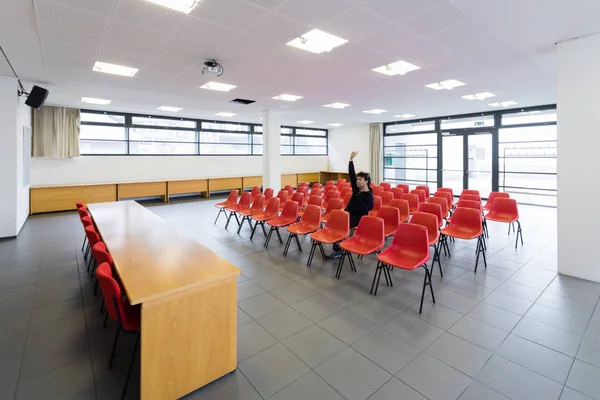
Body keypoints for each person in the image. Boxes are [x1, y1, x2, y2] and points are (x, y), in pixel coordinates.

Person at [328, 151, 374, 258]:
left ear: (366, 181)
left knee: (341, 223)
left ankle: (339, 248)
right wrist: (351, 160)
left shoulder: (369, 196)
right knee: (335, 220)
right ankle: (338, 246)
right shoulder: (356, 189)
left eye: (360, 179)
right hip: (348, 214)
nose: (357, 181)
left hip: (358, 218)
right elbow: (351, 174)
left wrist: (346, 212)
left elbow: (362, 210)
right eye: (357, 179)